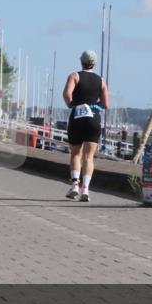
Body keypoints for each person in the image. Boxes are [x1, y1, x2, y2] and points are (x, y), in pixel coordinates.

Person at [61, 50, 109, 202]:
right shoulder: (101, 80)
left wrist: (72, 105)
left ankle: (75, 185)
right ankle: (86, 190)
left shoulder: (74, 76)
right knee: (89, 157)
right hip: (93, 118)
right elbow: (106, 104)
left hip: (77, 117)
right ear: (94, 63)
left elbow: (67, 94)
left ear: (81, 62)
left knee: (76, 153)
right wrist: (96, 106)